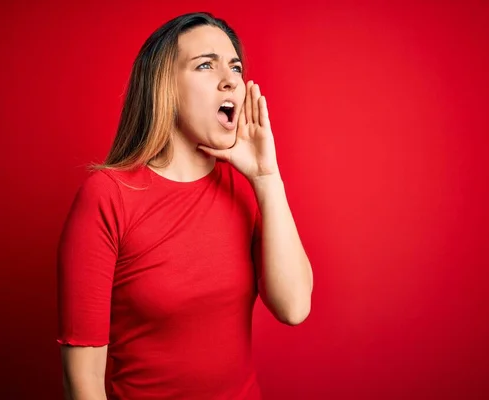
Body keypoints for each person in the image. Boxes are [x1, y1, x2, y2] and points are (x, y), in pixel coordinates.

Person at [57, 12, 313, 400]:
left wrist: (267, 178)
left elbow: (294, 307)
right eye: (206, 65)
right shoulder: (108, 196)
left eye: (236, 66)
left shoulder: (245, 189)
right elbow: (84, 381)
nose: (230, 78)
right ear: (164, 87)